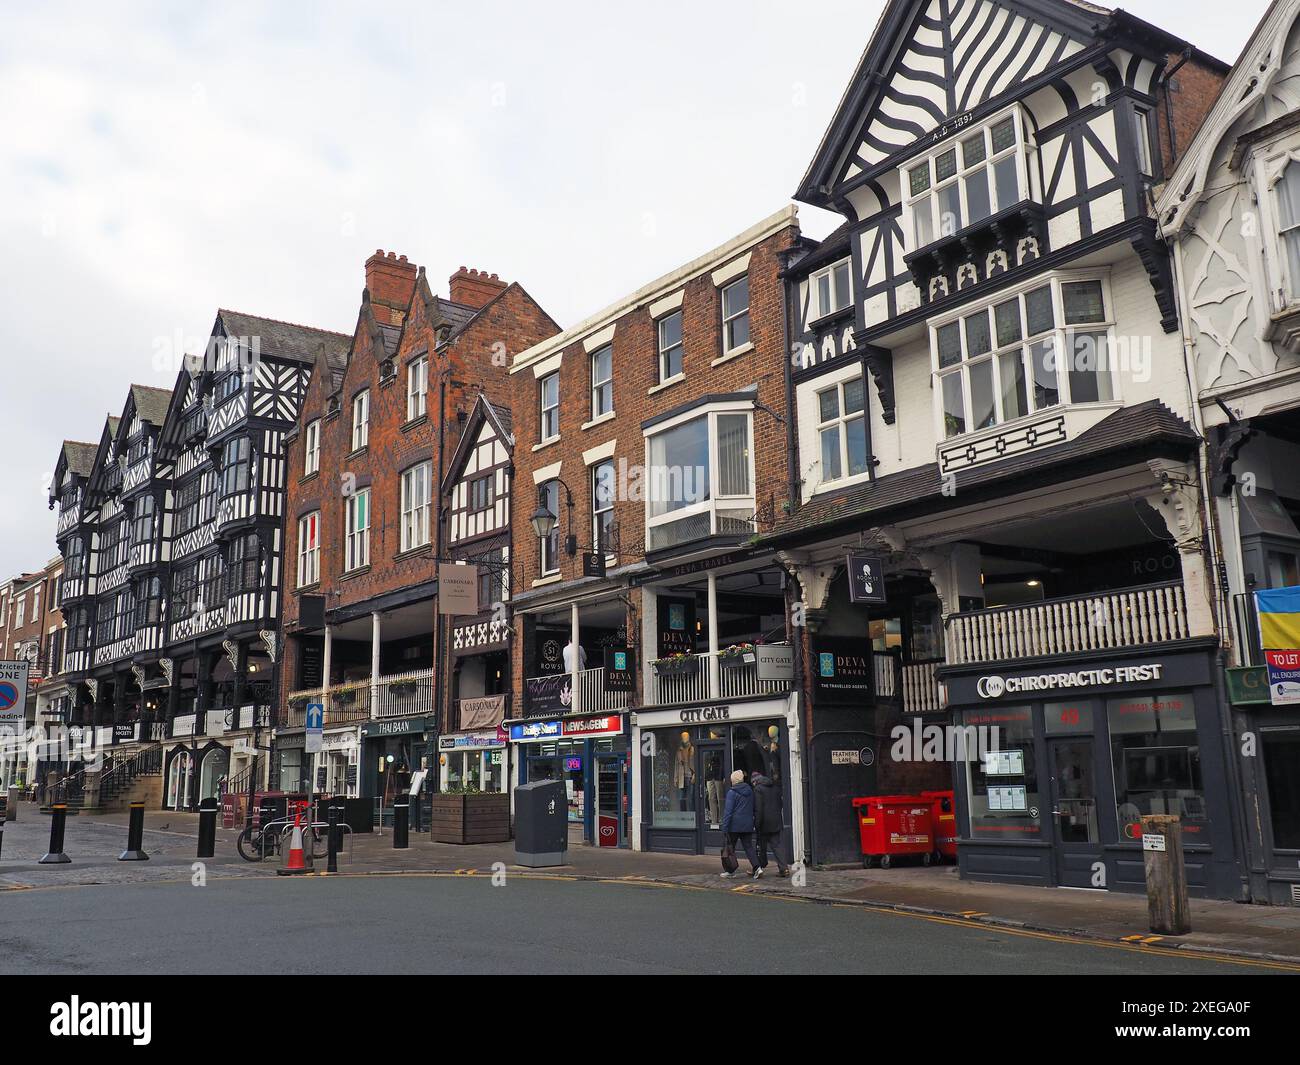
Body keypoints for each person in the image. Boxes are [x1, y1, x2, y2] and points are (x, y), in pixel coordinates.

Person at [719, 769, 758, 879]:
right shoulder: (750, 791)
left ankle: (730, 871)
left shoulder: (732, 793)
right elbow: (753, 807)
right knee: (749, 847)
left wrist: (725, 827)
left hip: (734, 826)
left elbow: (728, 812)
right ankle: (757, 868)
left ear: (733, 780)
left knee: (730, 849)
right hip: (747, 824)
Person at [751, 770, 789, 877]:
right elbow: (780, 804)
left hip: (764, 823)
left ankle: (758, 868)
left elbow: (758, 809)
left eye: (753, 783)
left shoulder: (758, 789)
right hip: (776, 821)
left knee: (760, 846)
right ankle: (784, 868)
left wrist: (756, 824)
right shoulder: (775, 787)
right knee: (777, 846)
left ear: (755, 781)